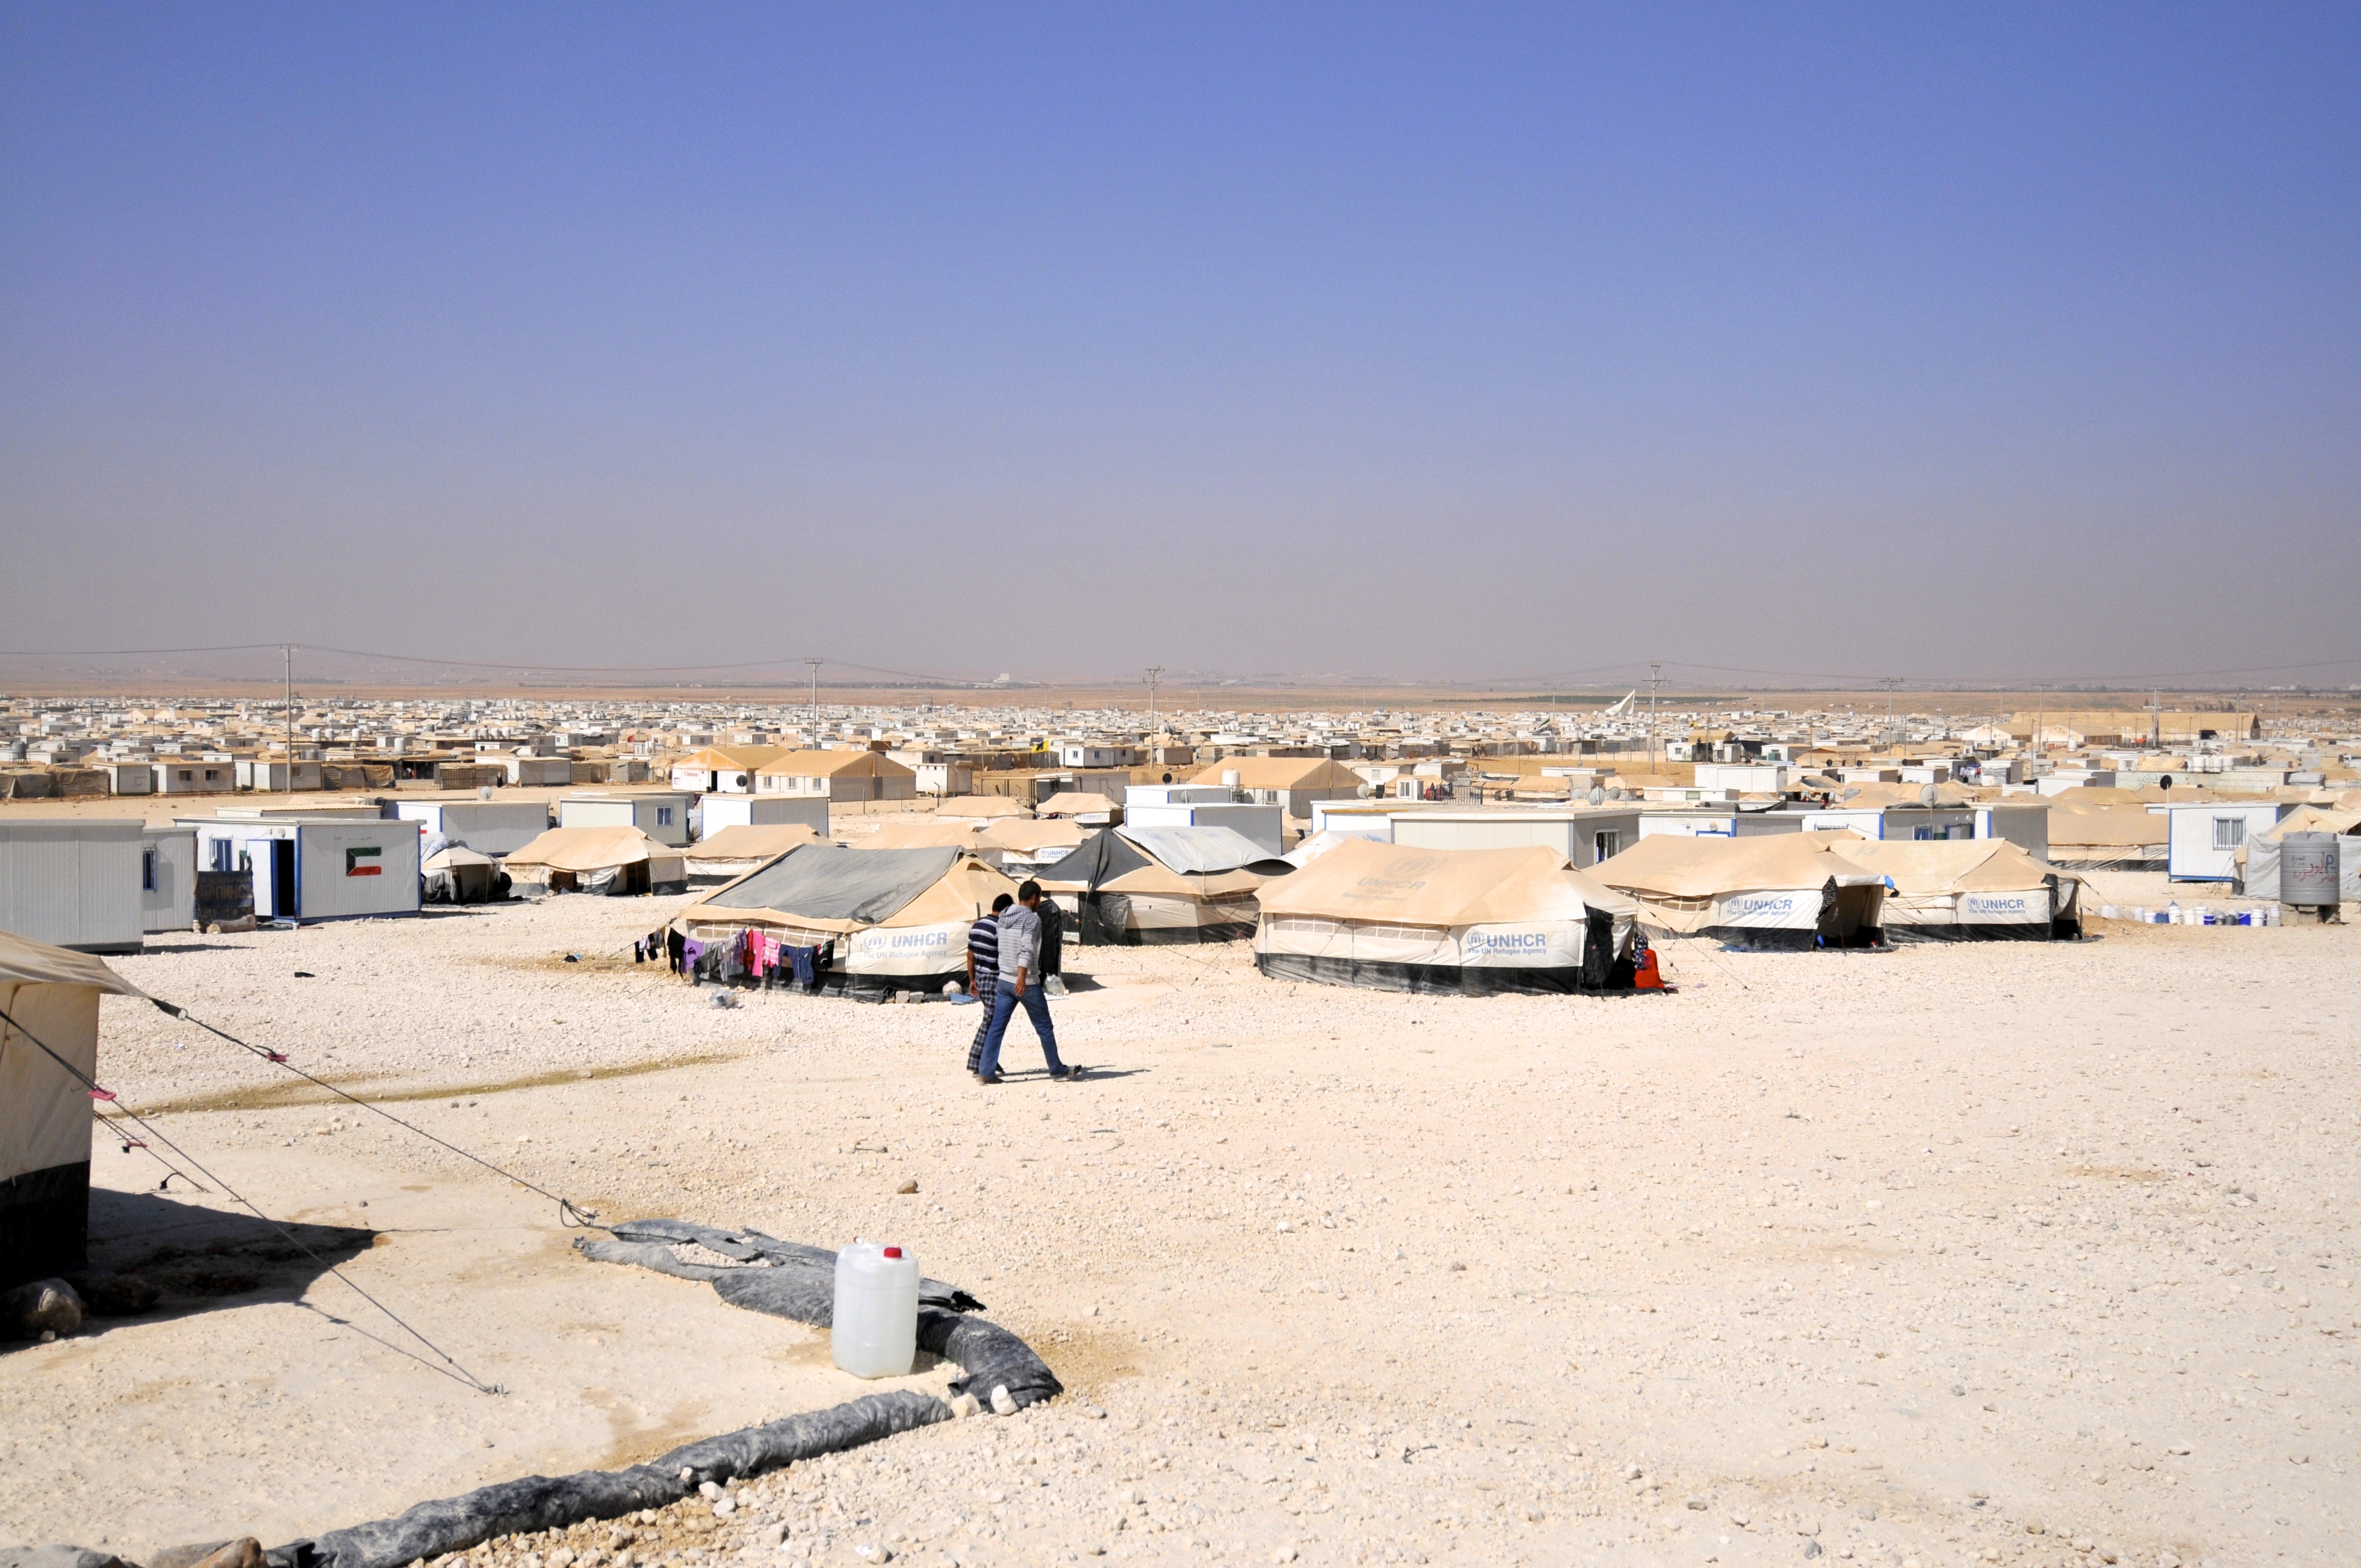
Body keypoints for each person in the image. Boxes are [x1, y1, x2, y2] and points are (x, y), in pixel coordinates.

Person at [976, 880, 1070, 1084]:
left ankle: (986, 1072)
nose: (1040, 903)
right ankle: (1057, 1070)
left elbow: (1003, 946)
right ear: (1034, 898)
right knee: (1044, 1027)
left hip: (1004, 980)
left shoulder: (1003, 916)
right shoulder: (1032, 919)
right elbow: (1027, 948)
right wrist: (1021, 977)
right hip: (1025, 982)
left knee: (996, 1027)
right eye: (1039, 898)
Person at [964, 892, 1014, 1076]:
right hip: (994, 980)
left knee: (991, 1019)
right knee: (991, 1022)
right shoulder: (1000, 929)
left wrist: (972, 980)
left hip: (980, 978)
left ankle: (989, 1059)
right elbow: (1006, 956)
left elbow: (971, 956)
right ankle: (977, 1062)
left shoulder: (977, 926)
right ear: (1006, 911)